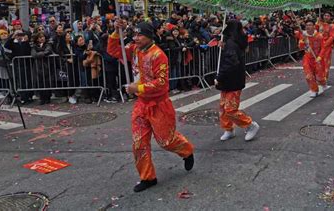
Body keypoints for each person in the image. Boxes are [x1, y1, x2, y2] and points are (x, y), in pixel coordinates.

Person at [108, 21, 194, 193]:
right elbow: (113, 50)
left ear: (149, 36)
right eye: (135, 35)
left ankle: (187, 151)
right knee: (139, 142)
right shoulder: (133, 50)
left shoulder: (159, 55)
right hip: (141, 105)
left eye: (140, 35)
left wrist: (137, 88)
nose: (136, 38)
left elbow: (162, 84)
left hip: (159, 105)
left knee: (166, 141)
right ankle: (148, 177)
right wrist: (116, 32)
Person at [215, 20, 260, 142]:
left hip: (232, 81)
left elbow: (230, 63)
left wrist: (219, 77)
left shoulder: (232, 43)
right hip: (230, 80)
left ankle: (250, 125)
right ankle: (228, 129)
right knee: (223, 107)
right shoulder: (234, 41)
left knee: (230, 109)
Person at [298, 19, 327, 98]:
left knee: (320, 76)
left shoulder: (319, 36)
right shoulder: (303, 35)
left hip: (317, 58)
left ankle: (323, 83)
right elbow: (300, 47)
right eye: (307, 25)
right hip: (307, 58)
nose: (308, 27)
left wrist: (320, 57)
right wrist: (303, 41)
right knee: (309, 75)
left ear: (314, 26)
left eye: (310, 25)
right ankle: (314, 90)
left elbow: (323, 48)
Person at [31, 32, 54, 104]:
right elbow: (33, 54)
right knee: (40, 82)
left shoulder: (48, 44)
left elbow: (48, 51)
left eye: (43, 37)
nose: (42, 38)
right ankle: (42, 98)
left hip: (47, 65)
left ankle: (48, 98)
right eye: (40, 37)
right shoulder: (34, 46)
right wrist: (42, 53)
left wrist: (40, 53)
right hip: (38, 66)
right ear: (37, 39)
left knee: (47, 82)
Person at [318, 12, 334, 83]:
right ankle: (320, 77)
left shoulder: (332, 26)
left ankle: (324, 77)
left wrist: (325, 44)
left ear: (330, 17)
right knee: (319, 62)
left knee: (326, 62)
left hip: (326, 47)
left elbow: (332, 37)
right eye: (325, 15)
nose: (326, 17)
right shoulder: (319, 24)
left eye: (328, 16)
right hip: (318, 47)